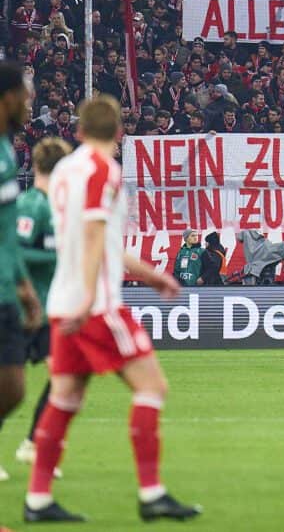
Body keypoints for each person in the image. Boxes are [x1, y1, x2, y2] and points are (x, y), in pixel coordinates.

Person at [24, 95, 199, 522]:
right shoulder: (105, 170)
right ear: (119, 132)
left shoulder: (64, 172)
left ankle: (38, 499)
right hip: (96, 304)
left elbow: (97, 240)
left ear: (79, 131)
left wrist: (152, 276)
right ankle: (152, 493)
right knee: (152, 387)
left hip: (62, 301)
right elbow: (95, 237)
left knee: (65, 397)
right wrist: (89, 297)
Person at [8, 138, 70, 477]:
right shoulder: (32, 205)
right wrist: (57, 255)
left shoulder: (57, 208)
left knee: (64, 378)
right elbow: (16, 252)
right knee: (9, 387)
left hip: (49, 310)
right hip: (21, 308)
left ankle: (34, 444)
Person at [0, 62, 43, 480]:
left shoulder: (7, 151)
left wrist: (25, 287)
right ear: (8, 98)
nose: (30, 105)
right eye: (26, 96)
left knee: (12, 389)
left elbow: (7, 233)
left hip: (7, 288)